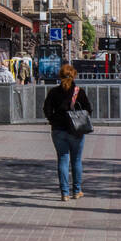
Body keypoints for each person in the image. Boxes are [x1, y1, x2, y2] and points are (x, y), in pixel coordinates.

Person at [43, 63, 92, 202]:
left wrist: (53, 120)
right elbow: (89, 109)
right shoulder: (79, 91)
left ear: (60, 76)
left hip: (58, 130)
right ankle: (77, 191)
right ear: (74, 75)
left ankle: (64, 193)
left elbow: (46, 109)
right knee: (76, 161)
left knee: (63, 160)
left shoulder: (53, 92)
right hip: (76, 131)